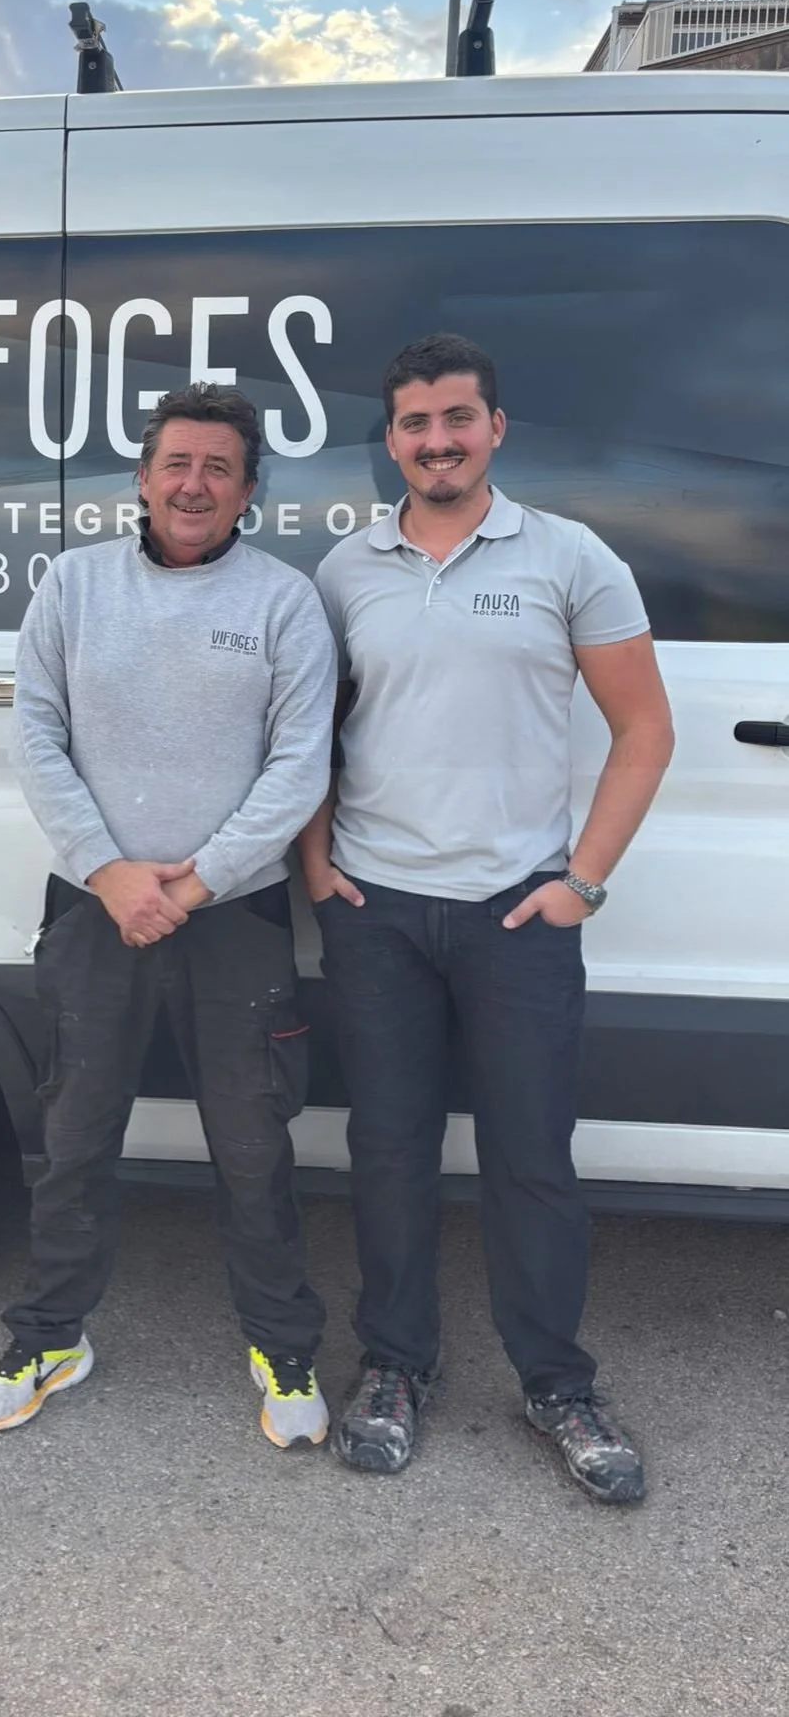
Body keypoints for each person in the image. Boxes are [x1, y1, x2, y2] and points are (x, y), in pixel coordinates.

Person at [299, 333, 674, 1505]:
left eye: (457, 417)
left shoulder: (570, 556)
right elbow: (308, 734)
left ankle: (557, 1383)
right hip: (378, 913)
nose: (437, 440)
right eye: (415, 423)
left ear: (496, 428)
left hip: (519, 915)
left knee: (531, 1159)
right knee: (389, 1151)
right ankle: (394, 1365)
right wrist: (316, 865)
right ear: (392, 439)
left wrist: (583, 882)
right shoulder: (345, 570)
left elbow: (645, 726)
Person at [0, 382, 337, 1446]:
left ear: (249, 491)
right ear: (141, 477)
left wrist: (194, 881)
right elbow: (35, 733)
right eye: (177, 462)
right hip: (97, 910)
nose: (195, 484)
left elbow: (300, 765)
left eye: (220, 468)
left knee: (253, 1147)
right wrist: (109, 873)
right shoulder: (74, 585)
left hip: (236, 916)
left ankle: (282, 1345)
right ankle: (49, 1335)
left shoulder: (284, 602)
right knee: (76, 1137)